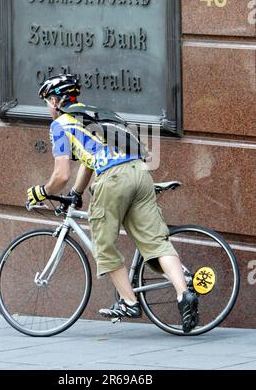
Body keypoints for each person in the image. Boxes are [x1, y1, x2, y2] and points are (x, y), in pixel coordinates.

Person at [27, 74, 198, 333]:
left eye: (47, 102)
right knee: (156, 242)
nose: (48, 108)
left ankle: (129, 302)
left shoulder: (60, 124)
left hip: (114, 179)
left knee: (103, 244)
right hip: (140, 173)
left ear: (55, 100)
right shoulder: (97, 115)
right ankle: (183, 294)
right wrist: (77, 192)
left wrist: (42, 191)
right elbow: (90, 159)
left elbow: (60, 175)